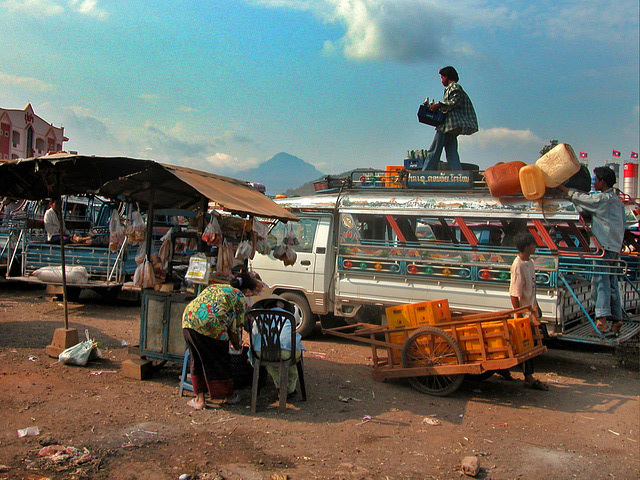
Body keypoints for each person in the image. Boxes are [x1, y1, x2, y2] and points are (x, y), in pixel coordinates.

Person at [557, 166, 625, 335]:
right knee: (612, 284)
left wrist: (563, 189)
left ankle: (601, 321)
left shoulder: (602, 200)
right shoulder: (617, 201)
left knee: (600, 283)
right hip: (615, 247)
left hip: (603, 247)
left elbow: (582, 199)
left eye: (596, 180)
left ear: (602, 182)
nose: (594, 183)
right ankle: (617, 320)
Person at [181, 272, 259, 410]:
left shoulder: (216, 287)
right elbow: (235, 329)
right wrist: (237, 345)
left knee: (196, 359)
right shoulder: (240, 297)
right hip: (211, 325)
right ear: (246, 291)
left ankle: (199, 400)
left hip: (189, 319)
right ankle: (228, 396)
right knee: (220, 360)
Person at [509, 232, 548, 390]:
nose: (535, 246)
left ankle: (512, 372)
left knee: (529, 345)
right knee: (527, 346)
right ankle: (528, 377)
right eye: (533, 244)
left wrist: (537, 307)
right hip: (524, 314)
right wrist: (518, 315)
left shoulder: (529, 263)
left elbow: (531, 288)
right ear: (526, 247)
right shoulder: (518, 265)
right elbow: (514, 294)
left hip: (531, 311)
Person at [422, 66, 478, 171]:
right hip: (452, 127)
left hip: (448, 125)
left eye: (442, 77)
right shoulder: (451, 88)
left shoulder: (454, 87)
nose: (442, 80)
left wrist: (439, 105)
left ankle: (425, 174)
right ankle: (458, 175)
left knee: (434, 150)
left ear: (447, 77)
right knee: (452, 152)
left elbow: (454, 102)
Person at [248, 295, 305, 398]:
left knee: (270, 362)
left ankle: (280, 387)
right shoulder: (288, 316)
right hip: (287, 352)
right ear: (280, 304)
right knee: (291, 362)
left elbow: (254, 336)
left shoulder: (259, 316)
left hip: (262, 353)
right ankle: (289, 389)